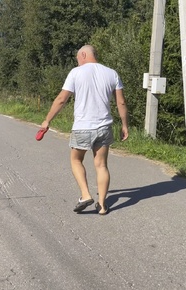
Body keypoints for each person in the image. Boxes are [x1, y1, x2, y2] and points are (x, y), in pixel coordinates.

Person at [40, 44, 128, 215]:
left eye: (78, 58)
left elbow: (61, 99)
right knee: (101, 165)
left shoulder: (76, 73)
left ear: (84, 54)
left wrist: (47, 120)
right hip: (104, 127)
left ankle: (86, 195)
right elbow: (121, 102)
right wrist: (125, 125)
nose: (78, 61)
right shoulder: (112, 73)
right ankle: (102, 205)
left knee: (76, 160)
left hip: (82, 127)